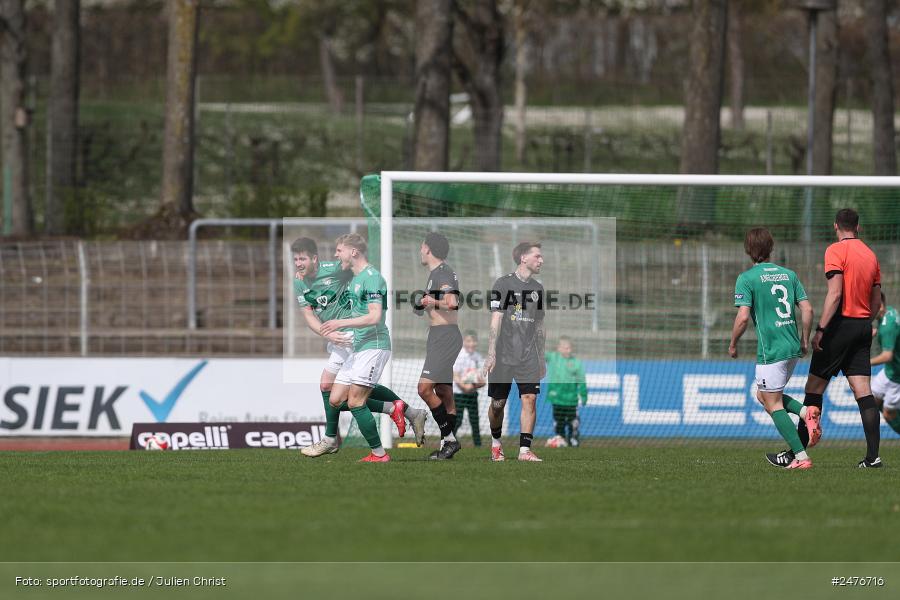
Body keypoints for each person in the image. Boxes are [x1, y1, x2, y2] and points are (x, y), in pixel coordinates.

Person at [767, 209, 883, 469]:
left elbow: (835, 293)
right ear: (858, 227)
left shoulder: (835, 251)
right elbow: (876, 301)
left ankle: (796, 453)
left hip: (838, 327)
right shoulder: (870, 255)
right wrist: (864, 323)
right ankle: (872, 457)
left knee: (814, 389)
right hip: (863, 326)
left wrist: (821, 329)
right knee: (863, 392)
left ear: (836, 226)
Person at [292, 237, 427, 459]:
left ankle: (334, 440)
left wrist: (340, 324)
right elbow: (308, 314)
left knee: (348, 394)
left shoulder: (349, 271)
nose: (298, 263)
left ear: (314, 258)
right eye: (295, 259)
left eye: (302, 259)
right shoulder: (300, 281)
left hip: (357, 336)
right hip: (339, 335)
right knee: (337, 395)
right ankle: (400, 409)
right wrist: (328, 331)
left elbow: (371, 304)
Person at [728, 228, 816, 469]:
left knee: (772, 404)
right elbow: (807, 310)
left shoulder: (747, 278)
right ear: (771, 248)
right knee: (763, 395)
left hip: (771, 351)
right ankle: (805, 412)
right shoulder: (789, 274)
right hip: (791, 347)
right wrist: (804, 340)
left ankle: (800, 457)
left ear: (748, 251)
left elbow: (743, 317)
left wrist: (733, 343)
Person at [312, 233, 395, 462]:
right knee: (336, 399)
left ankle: (379, 454)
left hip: (374, 345)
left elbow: (375, 316)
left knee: (356, 401)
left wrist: (341, 322)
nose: (336, 255)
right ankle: (394, 408)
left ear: (353, 252)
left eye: (340, 250)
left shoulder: (372, 278)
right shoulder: (356, 279)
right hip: (359, 346)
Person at [484, 241, 546, 462]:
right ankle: (496, 443)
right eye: (537, 256)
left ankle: (524, 451)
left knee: (529, 398)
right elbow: (496, 319)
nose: (541, 260)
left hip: (528, 355)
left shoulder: (538, 289)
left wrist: (542, 357)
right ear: (524, 258)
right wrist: (491, 352)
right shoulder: (503, 284)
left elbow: (539, 326)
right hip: (503, 355)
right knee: (498, 404)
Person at [414, 232, 464, 460]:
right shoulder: (436, 273)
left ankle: (450, 440)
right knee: (444, 391)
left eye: (421, 247)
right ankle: (447, 446)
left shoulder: (442, 272)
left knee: (424, 389)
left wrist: (432, 301)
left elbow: (452, 303)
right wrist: (424, 304)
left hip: (444, 337)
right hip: (440, 335)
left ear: (427, 248)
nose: (420, 251)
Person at [544, 336, 587, 448]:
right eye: (564, 348)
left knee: (573, 423)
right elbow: (539, 353)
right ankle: (560, 439)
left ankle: (573, 440)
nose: (567, 350)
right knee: (559, 422)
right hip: (557, 399)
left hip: (571, 400)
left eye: (569, 348)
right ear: (559, 348)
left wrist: (583, 395)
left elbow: (581, 380)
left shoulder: (576, 363)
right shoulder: (552, 358)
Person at [871, 291, 900, 436]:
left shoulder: (887, 327)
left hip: (897, 376)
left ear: (878, 305)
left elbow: (887, 356)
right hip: (889, 371)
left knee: (889, 414)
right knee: (871, 400)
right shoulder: (890, 313)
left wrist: (866, 363)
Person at [452, 330, 485, 447]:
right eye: (468, 341)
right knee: (457, 420)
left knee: (474, 420)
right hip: (458, 394)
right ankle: (450, 442)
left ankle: (478, 445)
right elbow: (455, 375)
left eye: (474, 341)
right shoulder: (459, 356)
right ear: (463, 342)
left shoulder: (478, 357)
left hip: (472, 393)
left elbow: (481, 378)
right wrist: (464, 386)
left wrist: (475, 385)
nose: (471, 344)